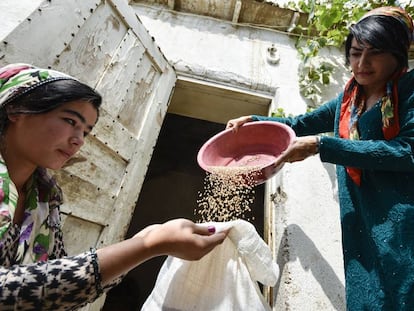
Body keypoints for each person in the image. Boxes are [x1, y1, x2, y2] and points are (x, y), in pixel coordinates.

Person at [227, 6, 414, 310]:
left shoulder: (408, 90)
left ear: (397, 53)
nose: (362, 63)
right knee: (368, 297)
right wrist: (255, 121)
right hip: (359, 220)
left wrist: (321, 146)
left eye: (375, 53)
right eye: (355, 53)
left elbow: (408, 151)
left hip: (400, 218)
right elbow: (299, 124)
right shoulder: (348, 101)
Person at [0, 63, 227, 310]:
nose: (78, 140)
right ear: (16, 110)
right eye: (69, 120)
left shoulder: (44, 198)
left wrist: (146, 238)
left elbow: (53, 289)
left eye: (85, 132)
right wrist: (149, 245)